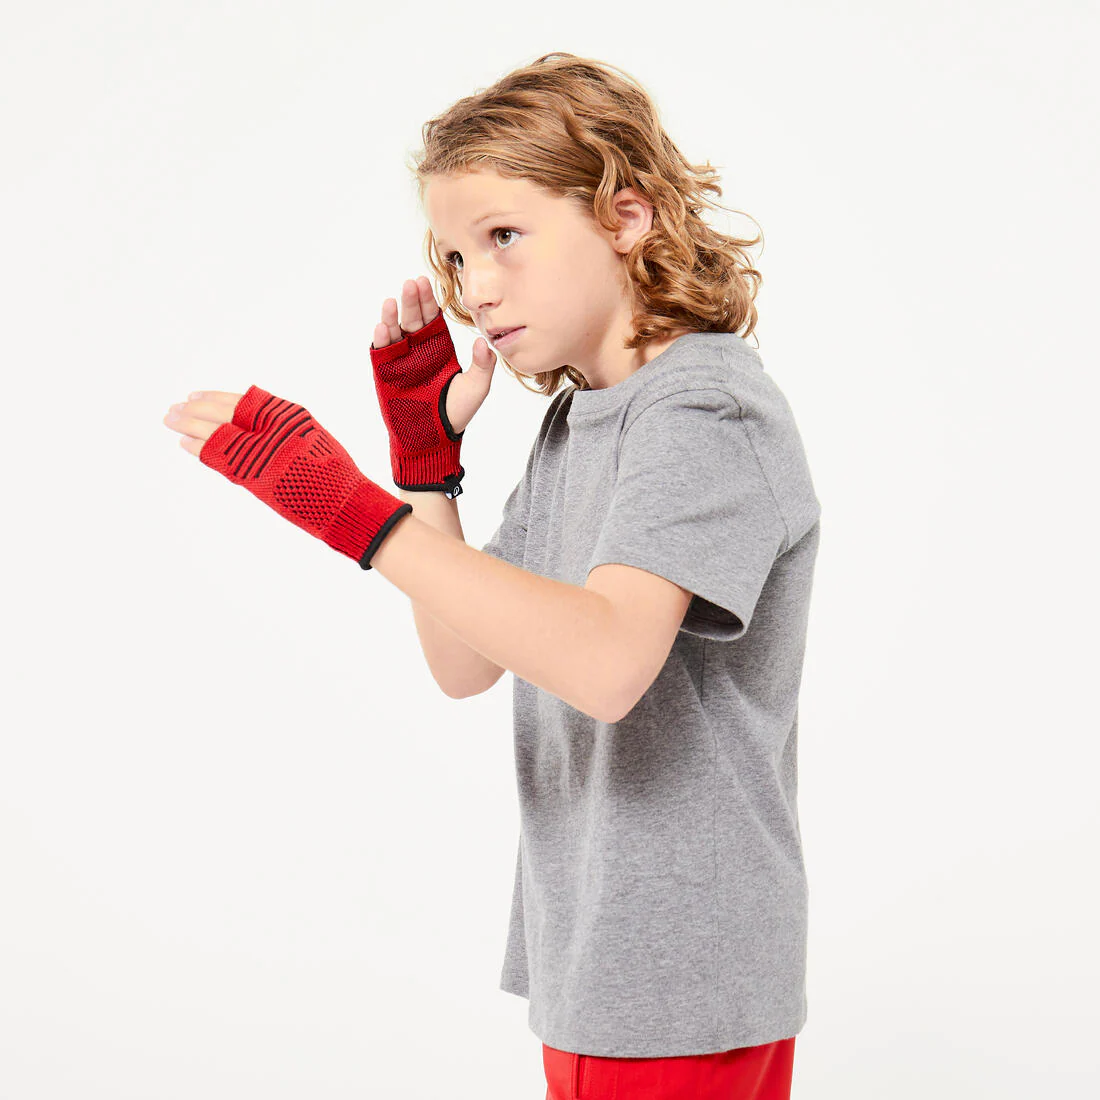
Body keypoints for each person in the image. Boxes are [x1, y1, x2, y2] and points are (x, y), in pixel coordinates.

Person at [163, 51, 819, 1100]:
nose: (476, 288)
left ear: (625, 216)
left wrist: (352, 512)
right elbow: (463, 658)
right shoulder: (577, 421)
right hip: (595, 957)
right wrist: (426, 474)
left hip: (676, 972)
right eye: (457, 257)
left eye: (503, 235)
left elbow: (605, 662)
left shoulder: (703, 409)